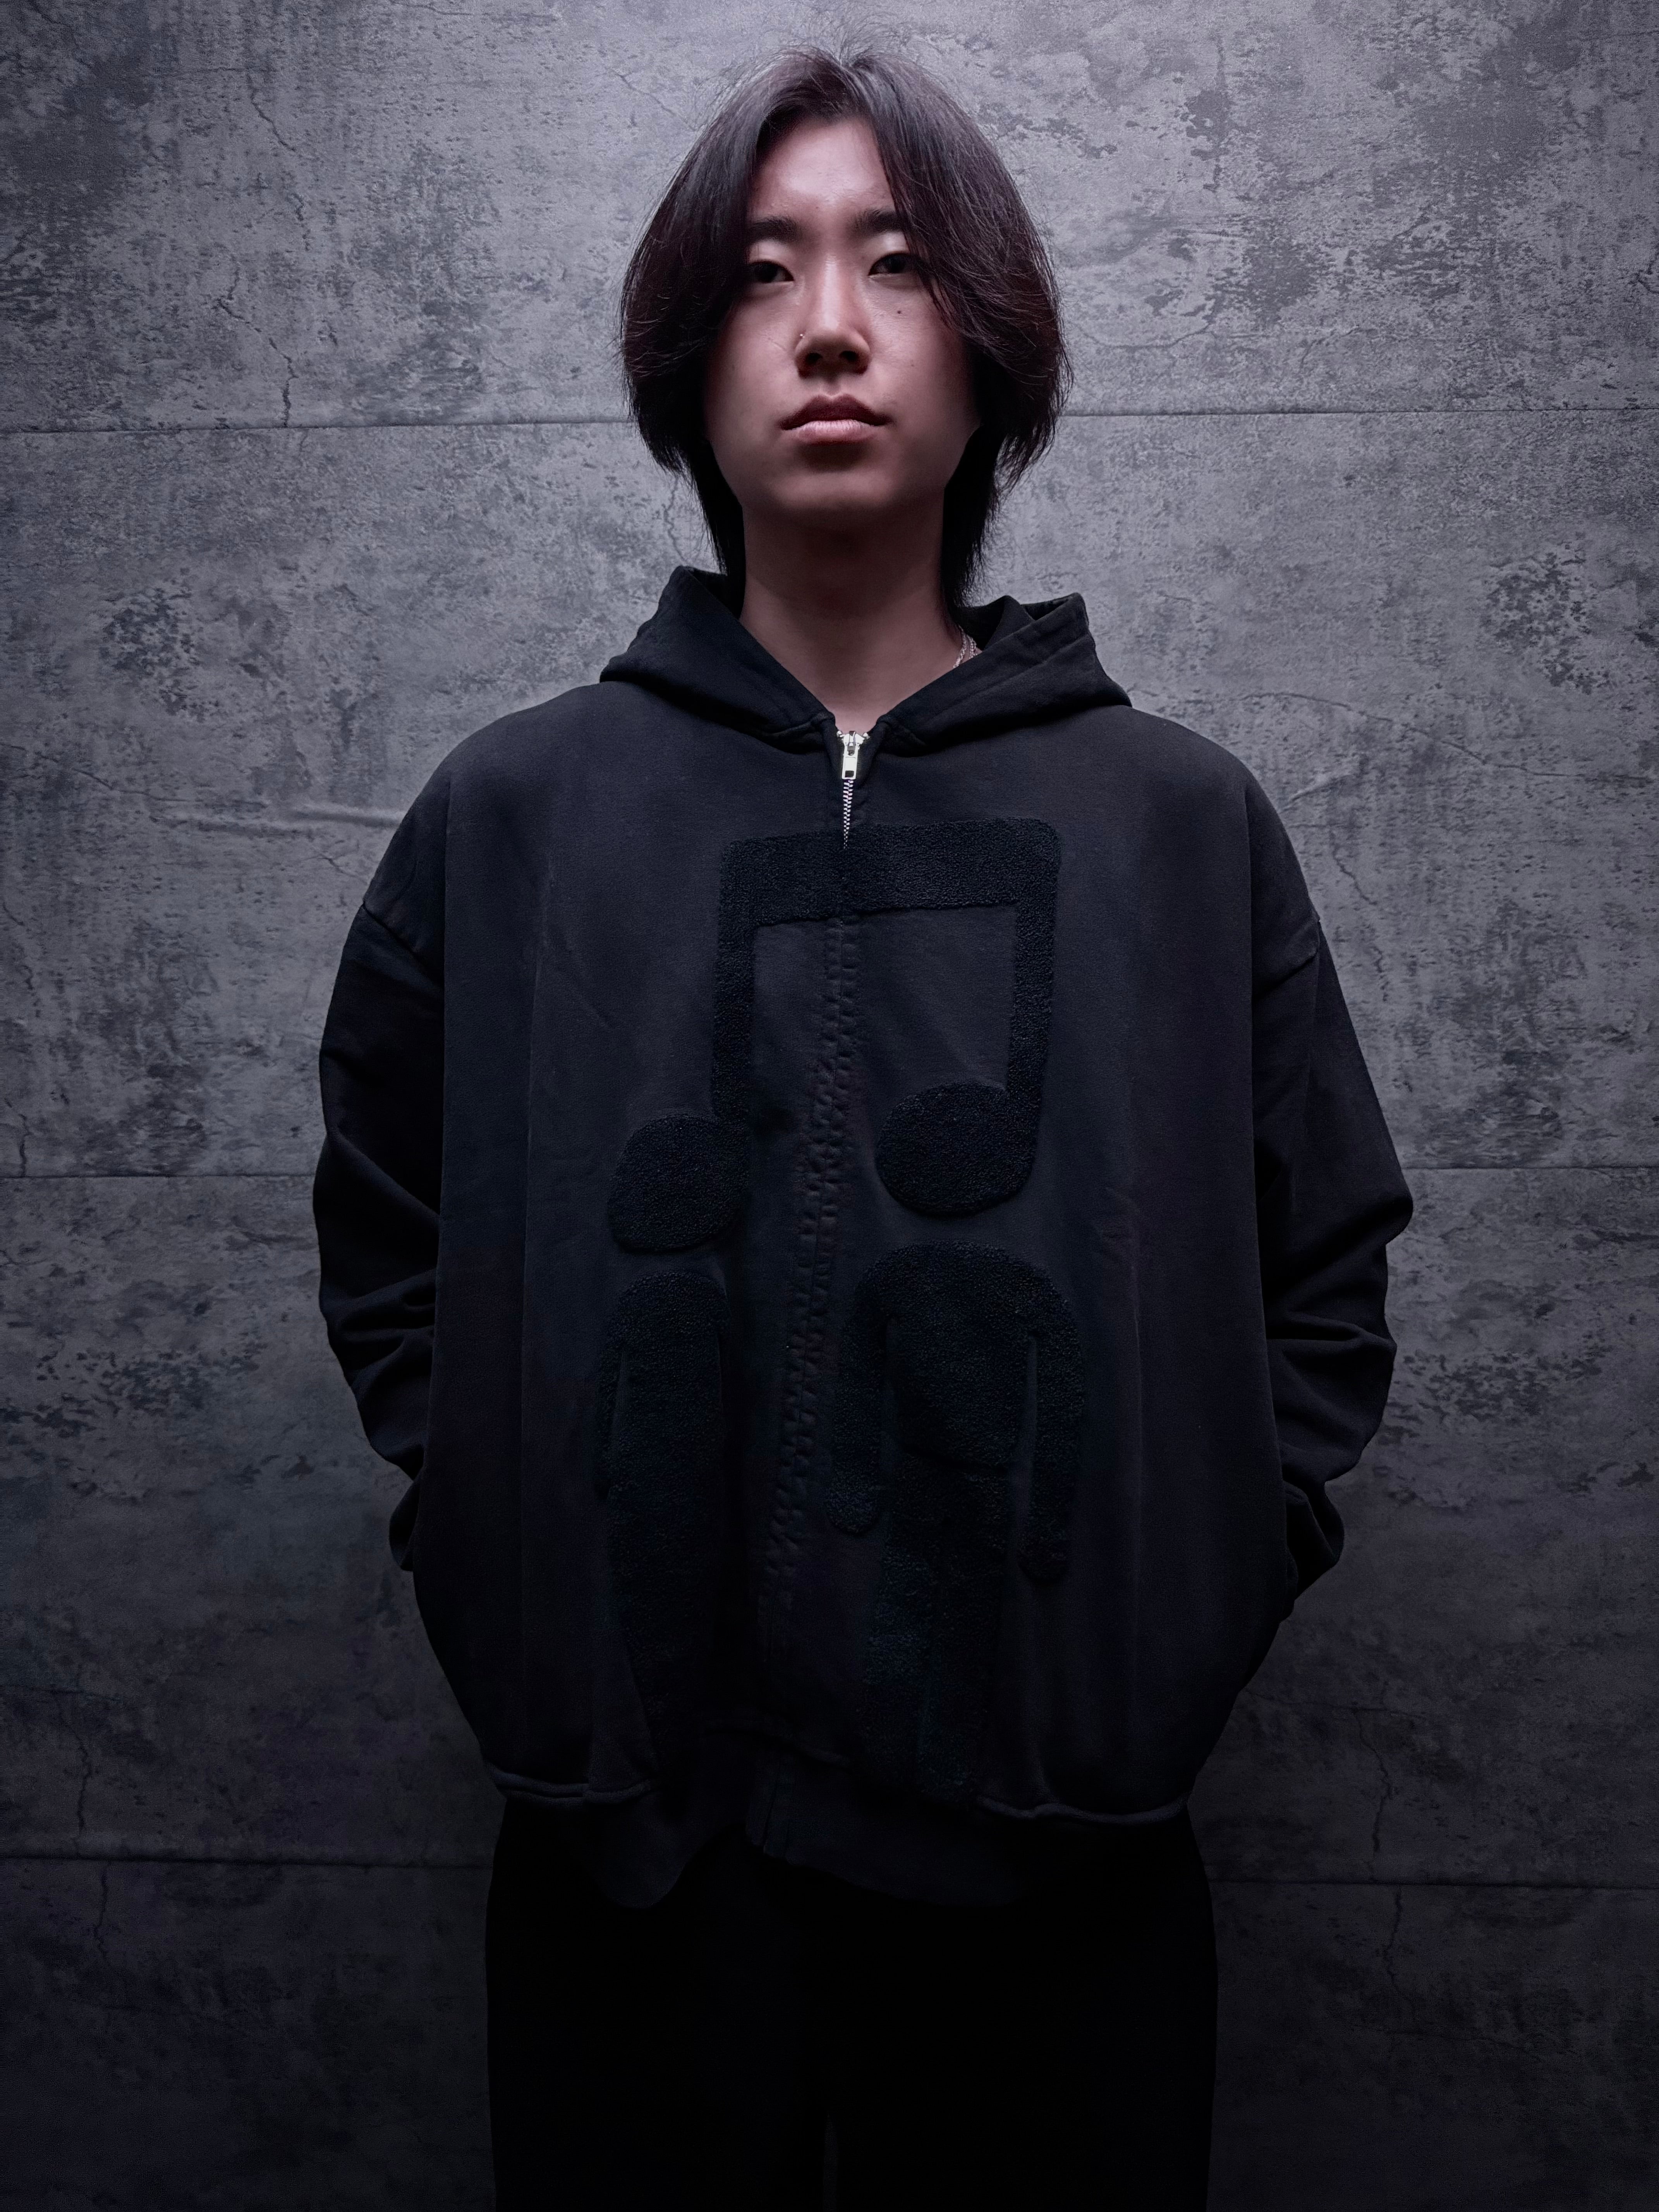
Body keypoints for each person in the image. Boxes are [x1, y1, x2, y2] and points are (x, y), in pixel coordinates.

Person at [313, 44, 1412, 2211]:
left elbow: (1322, 1260)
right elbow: (389, 1226)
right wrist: (502, 1549)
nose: (828, 326)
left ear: (989, 349)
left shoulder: (1177, 820)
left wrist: (1187, 1596)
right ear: (685, 358)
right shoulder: (516, 813)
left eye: (896, 266)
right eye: (763, 271)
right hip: (636, 1858)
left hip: (1061, 1864)